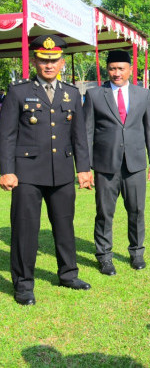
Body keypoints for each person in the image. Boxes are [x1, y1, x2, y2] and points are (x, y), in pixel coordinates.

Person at [0, 34, 93, 306]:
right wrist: (6, 170)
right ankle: (24, 284)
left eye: (53, 60)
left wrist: (84, 169)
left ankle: (68, 274)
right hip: (26, 173)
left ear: (62, 62)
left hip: (62, 172)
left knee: (65, 226)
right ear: (35, 61)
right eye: (43, 60)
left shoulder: (72, 93)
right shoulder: (18, 92)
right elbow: (6, 136)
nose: (48, 65)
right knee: (25, 230)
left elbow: (79, 136)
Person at [83, 50, 150, 275]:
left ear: (130, 70)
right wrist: (85, 167)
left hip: (135, 164)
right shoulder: (95, 95)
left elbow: (149, 130)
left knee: (136, 210)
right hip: (105, 165)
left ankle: (137, 253)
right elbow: (87, 132)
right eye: (112, 69)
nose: (116, 73)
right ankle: (104, 257)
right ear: (107, 69)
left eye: (121, 69)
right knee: (105, 213)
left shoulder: (143, 94)